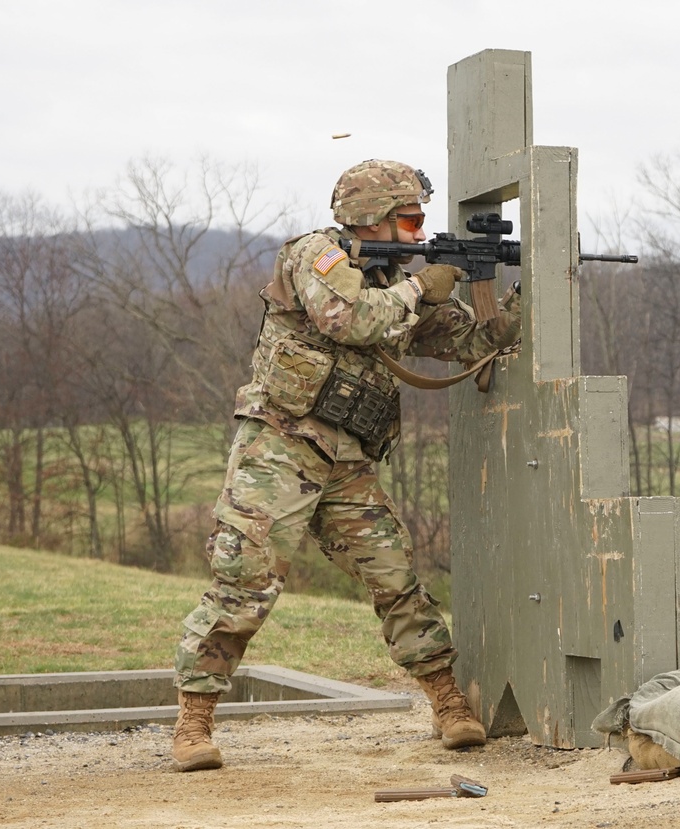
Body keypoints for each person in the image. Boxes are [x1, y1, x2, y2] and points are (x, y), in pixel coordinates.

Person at [170, 159, 521, 772]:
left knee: (395, 576)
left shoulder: (390, 278)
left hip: (349, 458)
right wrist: (419, 288)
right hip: (280, 445)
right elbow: (348, 319)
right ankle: (194, 722)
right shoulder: (318, 256)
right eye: (409, 220)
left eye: (419, 222)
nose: (417, 234)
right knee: (246, 581)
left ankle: (448, 702)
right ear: (372, 217)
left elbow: (463, 341)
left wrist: (512, 308)